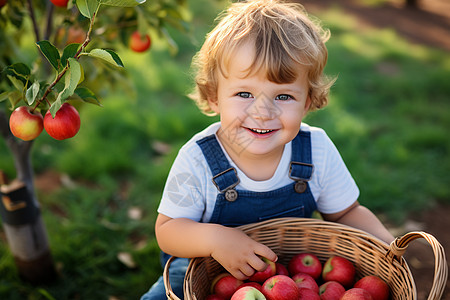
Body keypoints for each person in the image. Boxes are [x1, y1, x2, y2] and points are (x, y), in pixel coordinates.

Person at [141, 0, 394, 299]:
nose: (262, 112)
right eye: (244, 93)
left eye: (284, 96)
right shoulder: (198, 159)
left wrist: (389, 248)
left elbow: (347, 212)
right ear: (214, 97)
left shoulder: (316, 150)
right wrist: (216, 240)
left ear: (308, 102)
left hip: (289, 275)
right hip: (201, 272)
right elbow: (168, 229)